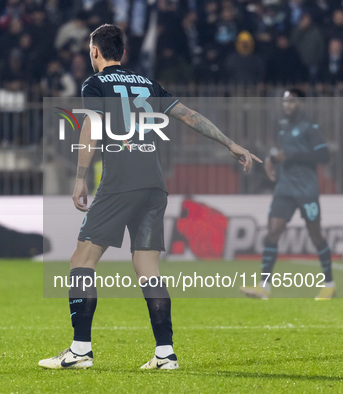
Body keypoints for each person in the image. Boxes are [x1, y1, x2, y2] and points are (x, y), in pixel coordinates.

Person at [38, 24, 261, 371]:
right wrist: (229, 143)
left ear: (95, 51)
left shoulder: (94, 84)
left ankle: (80, 350)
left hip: (119, 183)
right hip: (154, 185)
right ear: (123, 52)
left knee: (81, 261)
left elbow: (91, 127)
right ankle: (165, 353)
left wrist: (80, 177)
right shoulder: (146, 84)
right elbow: (188, 115)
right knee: (147, 270)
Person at [241, 89, 335, 301]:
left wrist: (291, 156)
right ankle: (263, 286)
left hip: (306, 190)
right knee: (272, 233)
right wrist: (272, 160)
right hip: (284, 188)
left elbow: (324, 155)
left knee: (316, 236)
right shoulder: (282, 127)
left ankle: (329, 285)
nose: (287, 106)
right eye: (285, 102)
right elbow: (282, 152)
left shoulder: (310, 128)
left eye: (291, 102)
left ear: (301, 103)